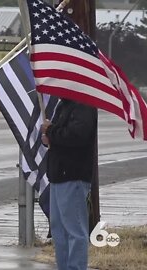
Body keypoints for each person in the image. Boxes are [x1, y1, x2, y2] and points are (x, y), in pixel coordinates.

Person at [40, 99, 97, 270]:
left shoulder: (83, 104)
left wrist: (51, 130)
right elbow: (61, 136)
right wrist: (49, 137)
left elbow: (78, 135)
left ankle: (76, 267)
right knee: (59, 231)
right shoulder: (63, 105)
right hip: (58, 176)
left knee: (75, 230)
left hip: (73, 176)